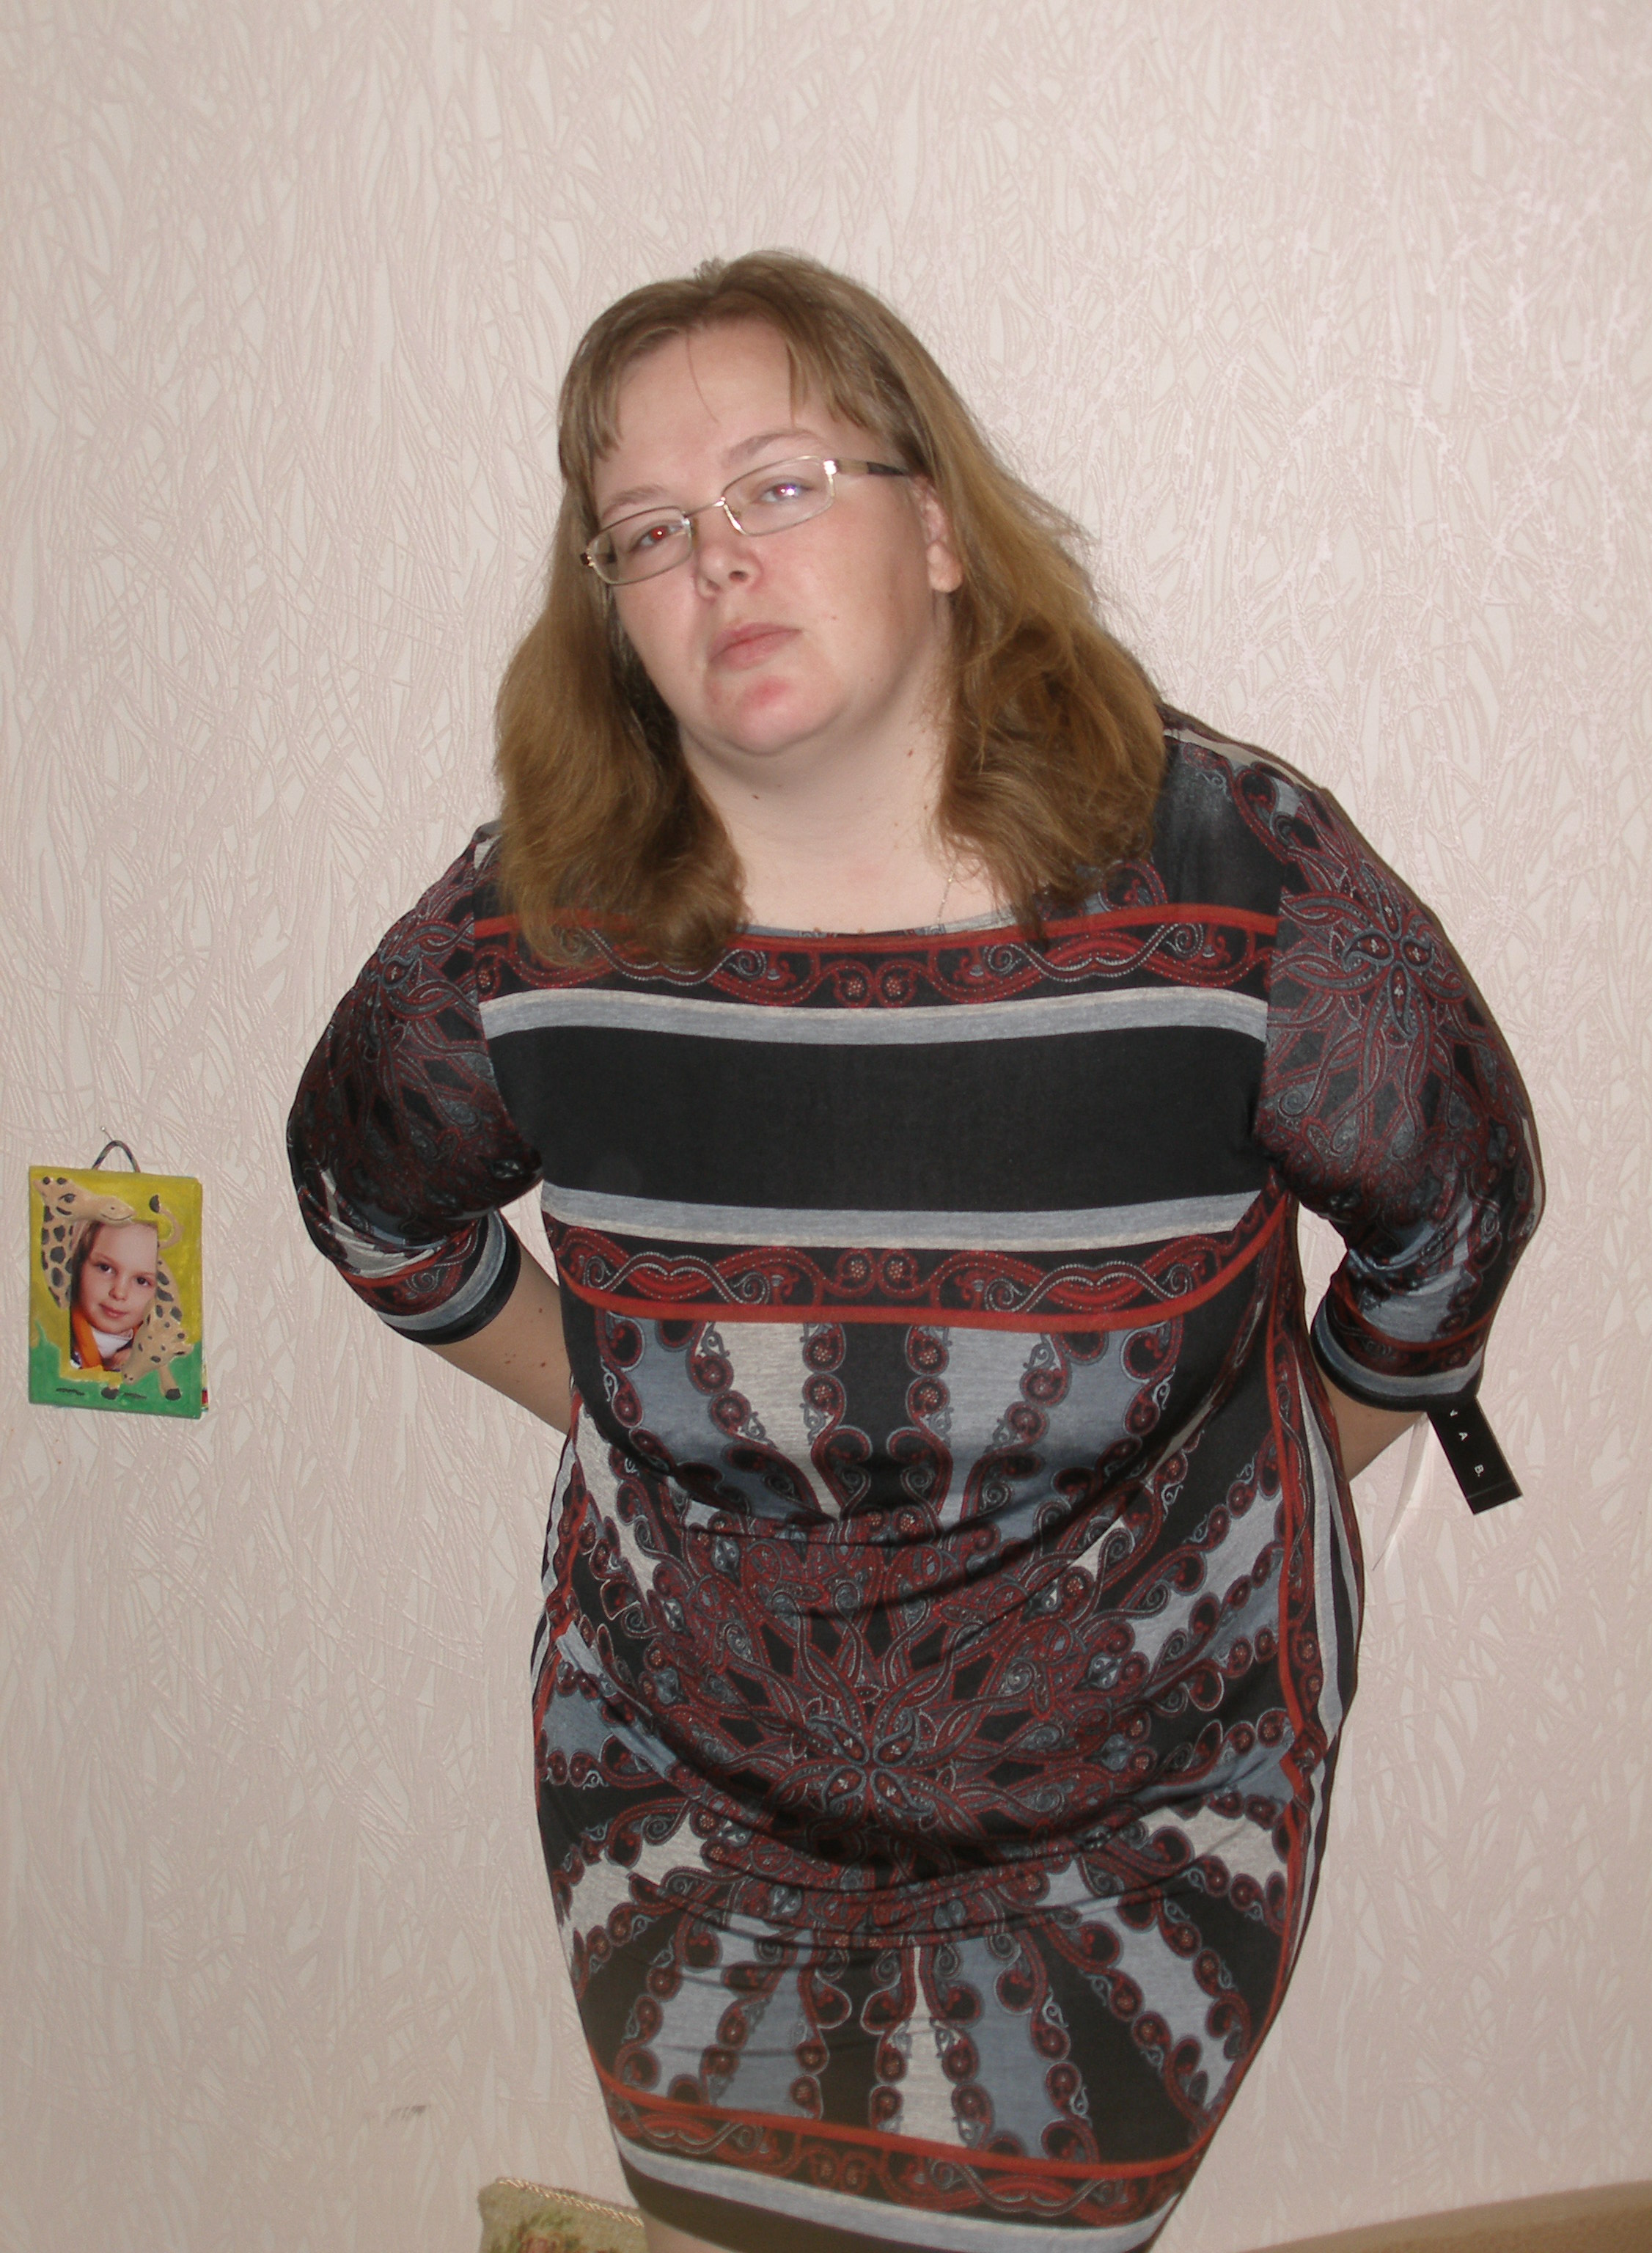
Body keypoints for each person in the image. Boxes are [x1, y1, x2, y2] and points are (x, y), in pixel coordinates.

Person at [289, 251, 1542, 2253]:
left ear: (940, 528)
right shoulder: (530, 924)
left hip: (1142, 1793)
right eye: (646, 530)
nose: (714, 558)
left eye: (778, 485)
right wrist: (600, 1409)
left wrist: (1278, 1479)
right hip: (681, 1788)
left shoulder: (1233, 873)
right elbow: (366, 1194)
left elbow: (1454, 1211)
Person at [69, 1217, 160, 1371]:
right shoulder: (56, 1338)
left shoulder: (156, 1349)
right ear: (79, 1263)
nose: (119, 1292)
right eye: (105, 1268)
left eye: (142, 1281)